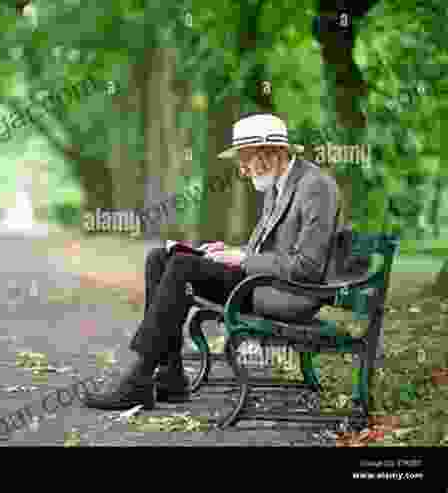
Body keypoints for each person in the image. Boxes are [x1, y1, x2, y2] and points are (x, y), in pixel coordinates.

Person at [83, 113, 341, 411]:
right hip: (262, 282)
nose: (243, 169)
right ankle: (170, 375)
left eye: (246, 159)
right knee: (160, 258)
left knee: (182, 266)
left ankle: (137, 380)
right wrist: (228, 251)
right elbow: (265, 249)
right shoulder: (279, 185)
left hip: (290, 293)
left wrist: (242, 258)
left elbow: (307, 267)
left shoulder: (315, 186)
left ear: (275, 153)